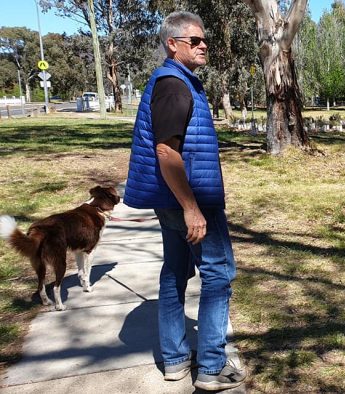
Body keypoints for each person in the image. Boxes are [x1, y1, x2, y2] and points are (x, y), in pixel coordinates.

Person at [123, 11, 245, 391]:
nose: (203, 44)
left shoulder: (178, 83)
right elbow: (166, 152)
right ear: (172, 44)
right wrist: (192, 208)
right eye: (194, 40)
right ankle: (211, 367)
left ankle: (175, 361)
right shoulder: (175, 85)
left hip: (176, 198)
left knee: (176, 272)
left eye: (204, 39)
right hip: (191, 199)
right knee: (219, 275)